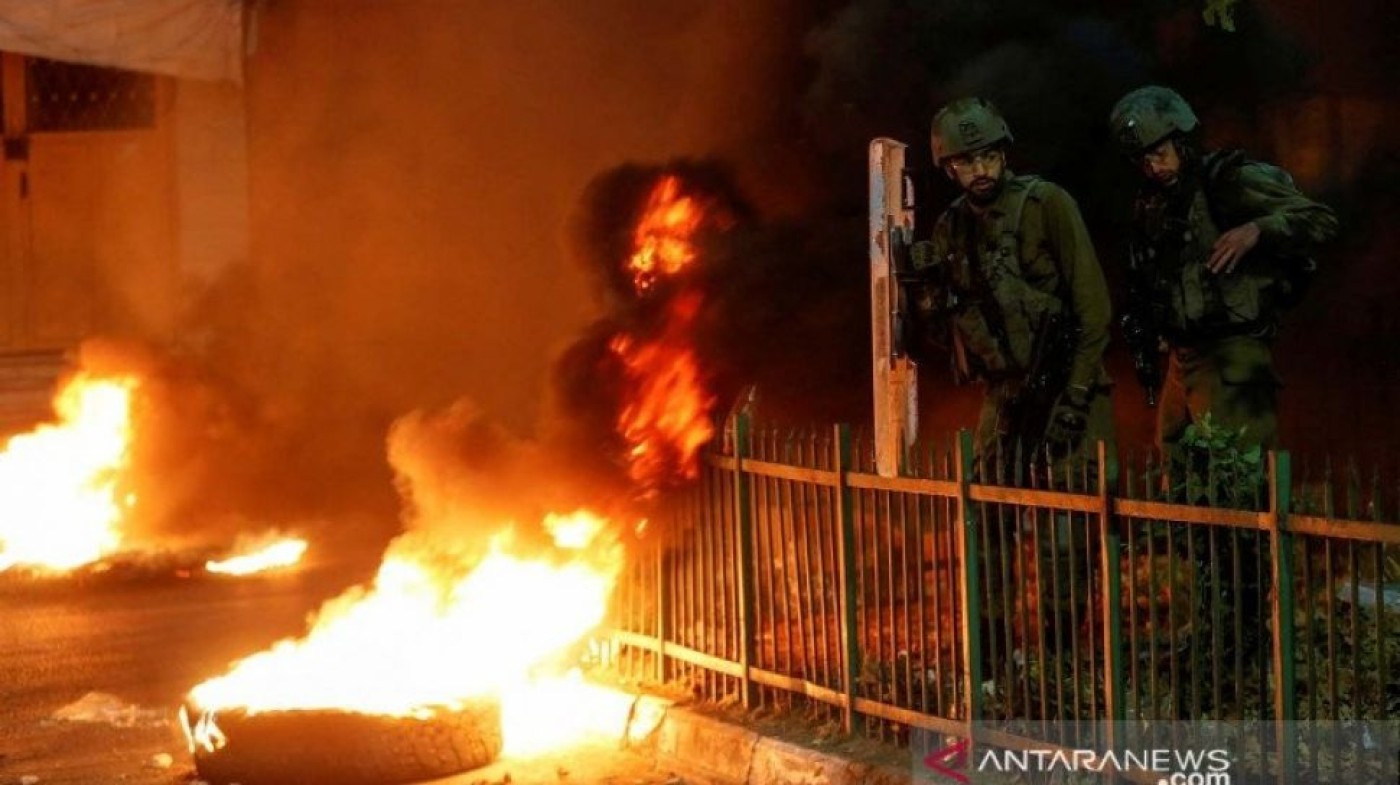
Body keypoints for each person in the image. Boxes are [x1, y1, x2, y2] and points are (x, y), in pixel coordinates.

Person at [910, 97, 1116, 691]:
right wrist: (926, 292)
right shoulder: (951, 229)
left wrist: (1076, 397)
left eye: (988, 157)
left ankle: (1059, 666)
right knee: (988, 524)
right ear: (949, 168)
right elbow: (946, 333)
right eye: (965, 162)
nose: (979, 170)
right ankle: (996, 660)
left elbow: (1093, 309)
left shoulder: (1048, 205)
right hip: (1005, 392)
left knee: (1065, 536)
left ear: (1004, 153)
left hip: (1068, 384)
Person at [1110, 85, 1338, 452]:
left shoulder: (1227, 180)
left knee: (1237, 470)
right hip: (1183, 359)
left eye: (1159, 154)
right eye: (1144, 161)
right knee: (1176, 468)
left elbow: (1321, 219)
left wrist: (1257, 230)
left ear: (1181, 142)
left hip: (1232, 354)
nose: (1154, 168)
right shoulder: (1157, 204)